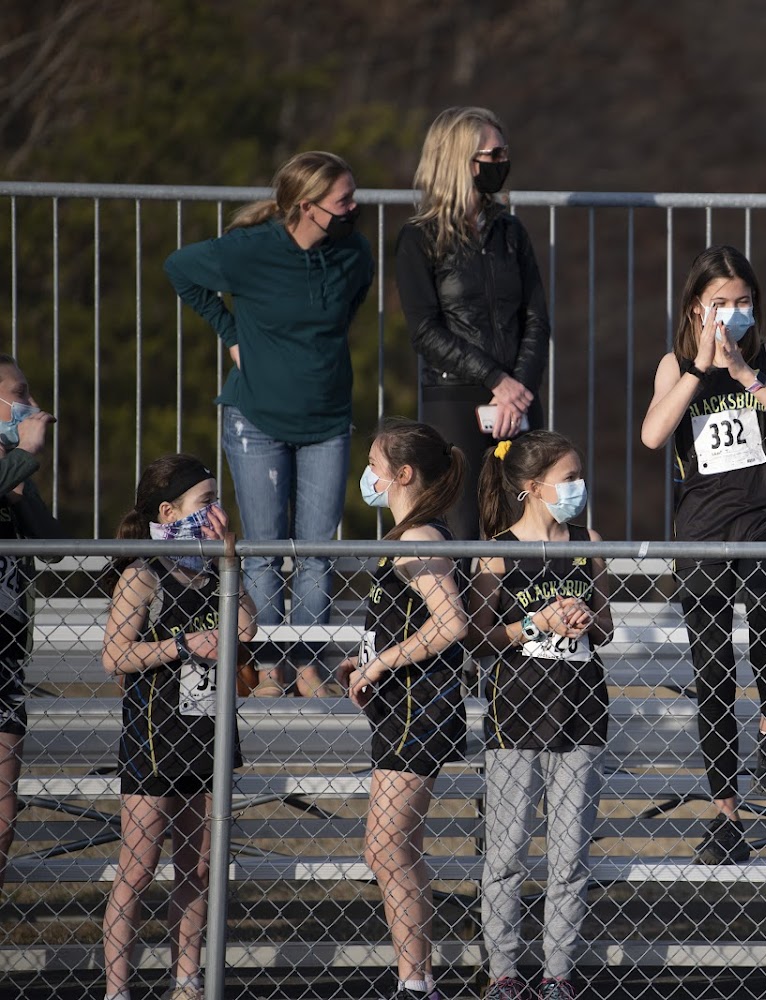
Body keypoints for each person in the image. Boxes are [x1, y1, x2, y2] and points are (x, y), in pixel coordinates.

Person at [165, 150, 374, 697]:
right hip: (256, 419)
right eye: (343, 200)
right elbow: (180, 269)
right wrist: (231, 334)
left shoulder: (355, 252)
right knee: (262, 549)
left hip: (327, 420)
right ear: (306, 206)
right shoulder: (251, 249)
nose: (354, 208)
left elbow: (347, 307)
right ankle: (264, 667)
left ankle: (306, 666)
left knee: (317, 551)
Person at [640, 245, 766, 864]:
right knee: (713, 667)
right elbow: (653, 434)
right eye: (721, 302)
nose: (733, 312)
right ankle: (726, 813)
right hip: (703, 527)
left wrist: (748, 376)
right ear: (697, 307)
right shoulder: (675, 364)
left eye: (743, 301)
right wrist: (700, 368)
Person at [100, 455, 257, 1000]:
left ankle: (186, 980)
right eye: (205, 502)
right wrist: (182, 645)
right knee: (138, 868)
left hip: (207, 736)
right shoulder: (144, 574)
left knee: (197, 868)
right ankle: (117, 988)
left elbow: (247, 628)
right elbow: (115, 656)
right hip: (154, 736)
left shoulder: (216, 573)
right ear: (168, 513)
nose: (216, 511)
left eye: (218, 501)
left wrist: (230, 554)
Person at [468, 430, 612, 1000]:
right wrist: (536, 623)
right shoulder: (498, 548)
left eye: (580, 475)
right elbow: (479, 638)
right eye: (568, 478)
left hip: (581, 710)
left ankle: (558, 975)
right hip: (517, 714)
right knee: (506, 856)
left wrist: (584, 618)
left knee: (569, 856)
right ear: (532, 486)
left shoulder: (587, 541)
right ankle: (503, 973)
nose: (580, 486)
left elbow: (607, 627)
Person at [335, 419, 469, 1000]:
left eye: (374, 464)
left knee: (385, 847)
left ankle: (416, 983)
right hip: (402, 709)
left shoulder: (419, 537)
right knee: (396, 848)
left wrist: (382, 663)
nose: (367, 474)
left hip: (421, 711)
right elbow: (410, 623)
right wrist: (364, 659)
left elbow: (451, 623)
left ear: (403, 474)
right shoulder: (407, 536)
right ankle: (416, 980)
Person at [397, 106, 551, 539]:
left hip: (518, 398)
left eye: (504, 153)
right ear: (459, 160)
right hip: (454, 396)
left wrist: (516, 391)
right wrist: (494, 379)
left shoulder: (511, 232)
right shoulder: (419, 237)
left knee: (525, 525)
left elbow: (536, 318)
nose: (503, 162)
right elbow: (425, 330)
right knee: (460, 527)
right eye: (492, 155)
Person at [0, 355, 63, 888]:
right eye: (20, 394)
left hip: (6, 654)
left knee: (2, 813)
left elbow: (53, 546)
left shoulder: (15, 468)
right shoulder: (17, 459)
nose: (33, 406)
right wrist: (23, 455)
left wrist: (22, 483)